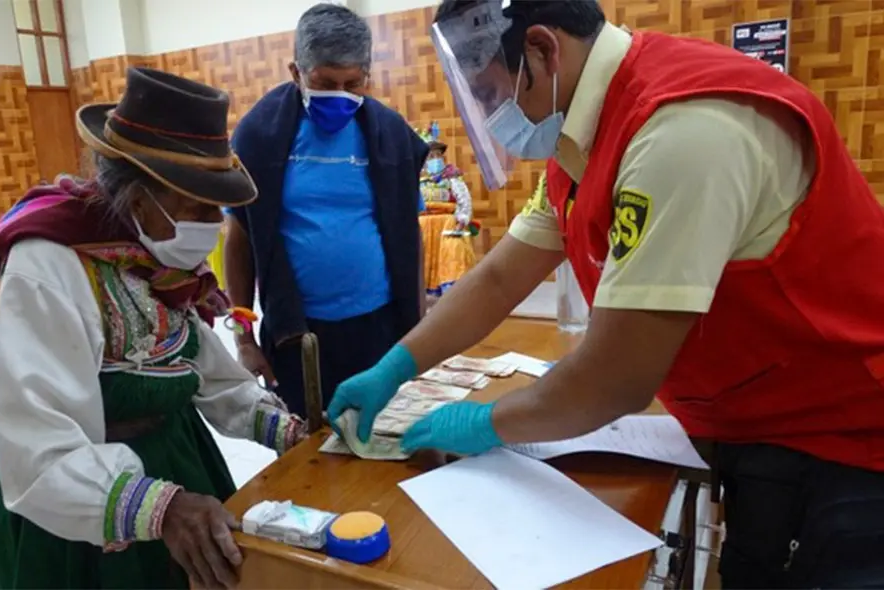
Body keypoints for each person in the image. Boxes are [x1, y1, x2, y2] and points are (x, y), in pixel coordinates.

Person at [328, 1, 884, 587]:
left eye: (492, 95)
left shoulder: (681, 130)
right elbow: (498, 278)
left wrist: (485, 421)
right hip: (757, 425)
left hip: (849, 441)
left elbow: (615, 379)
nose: (494, 116)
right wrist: (397, 365)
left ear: (541, 51)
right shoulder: (582, 134)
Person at [0, 67, 306, 589]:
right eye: (193, 202)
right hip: (82, 509)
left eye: (215, 205)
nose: (212, 223)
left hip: (178, 461)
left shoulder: (164, 262)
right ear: (137, 196)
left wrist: (291, 430)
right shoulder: (49, 265)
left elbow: (211, 375)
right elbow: (35, 442)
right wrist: (162, 510)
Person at [225, 3, 429, 418]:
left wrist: (419, 327)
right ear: (295, 72)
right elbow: (241, 238)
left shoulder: (389, 135)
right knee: (305, 450)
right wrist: (245, 339)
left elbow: (410, 234)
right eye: (324, 82)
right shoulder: (259, 137)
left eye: (353, 83)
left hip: (378, 326)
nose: (340, 94)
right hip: (297, 333)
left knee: (380, 442)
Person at [417, 122, 478, 302]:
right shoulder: (417, 180)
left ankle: (454, 295)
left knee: (452, 256)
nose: (434, 159)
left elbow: (464, 200)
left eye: (437, 155)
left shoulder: (451, 179)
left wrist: (462, 218)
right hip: (424, 228)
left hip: (448, 225)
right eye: (430, 156)